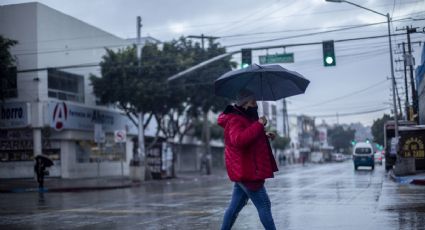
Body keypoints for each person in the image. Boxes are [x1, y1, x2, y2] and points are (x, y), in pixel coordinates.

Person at [218, 89, 278, 230]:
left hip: (245, 170)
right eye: (253, 102)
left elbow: (248, 137)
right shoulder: (235, 119)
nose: (255, 105)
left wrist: (264, 135)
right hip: (247, 171)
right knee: (264, 205)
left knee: (234, 209)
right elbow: (239, 140)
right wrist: (259, 124)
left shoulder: (244, 117)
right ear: (245, 103)